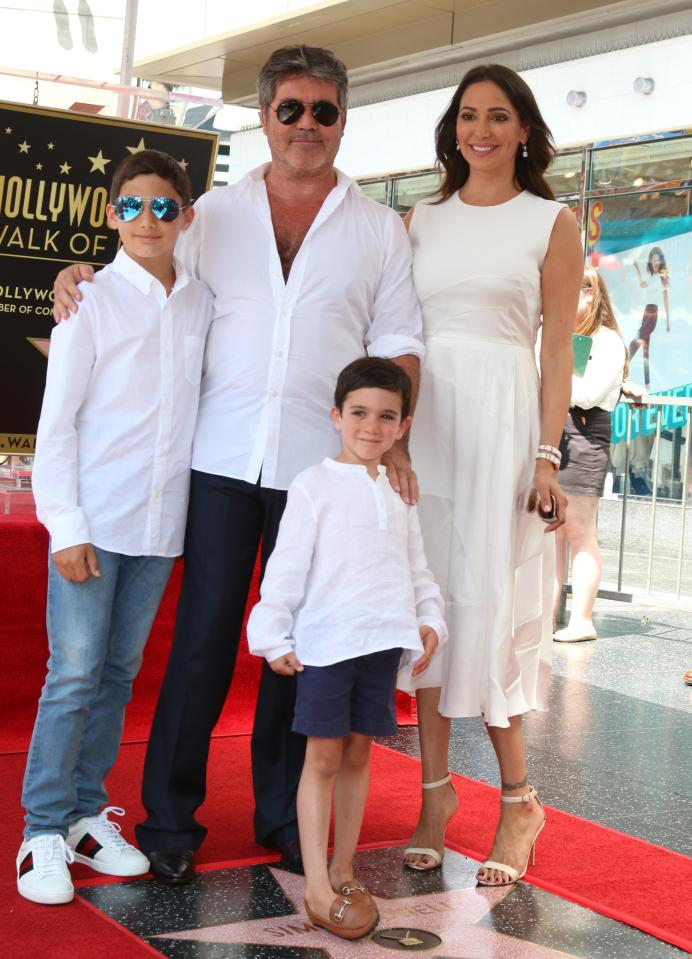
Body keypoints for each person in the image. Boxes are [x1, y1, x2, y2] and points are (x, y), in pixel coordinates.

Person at [52, 45, 423, 884]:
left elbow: (400, 344)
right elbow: (141, 273)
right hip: (217, 461)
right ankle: (169, 823)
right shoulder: (210, 213)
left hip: (319, 472)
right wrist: (78, 274)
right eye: (290, 109)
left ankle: (285, 816)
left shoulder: (376, 229)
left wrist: (391, 440)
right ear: (264, 117)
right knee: (202, 646)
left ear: (342, 119)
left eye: (324, 110)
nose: (306, 125)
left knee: (299, 646)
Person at [397, 64, 583, 884]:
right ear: (454, 129)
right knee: (431, 604)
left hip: (506, 427)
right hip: (430, 425)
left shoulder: (551, 220)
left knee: (492, 602)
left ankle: (519, 802)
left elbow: (555, 355)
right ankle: (435, 796)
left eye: (497, 116)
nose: (481, 130)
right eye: (468, 115)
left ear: (523, 130)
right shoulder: (422, 217)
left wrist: (548, 455)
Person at [18, 150, 212, 905]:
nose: (147, 221)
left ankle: (81, 816)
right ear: (111, 215)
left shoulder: (201, 301)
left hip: (160, 525)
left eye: (164, 207)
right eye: (132, 206)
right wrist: (64, 523)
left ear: (186, 217)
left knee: (117, 675)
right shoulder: (89, 302)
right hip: (92, 521)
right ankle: (39, 829)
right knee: (71, 673)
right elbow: (56, 424)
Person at [247, 358, 445, 939]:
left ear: (403, 425)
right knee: (323, 759)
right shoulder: (313, 486)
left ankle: (344, 867)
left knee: (360, 757)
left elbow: (417, 568)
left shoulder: (399, 492)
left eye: (386, 417)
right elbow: (285, 569)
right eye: (359, 413)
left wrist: (429, 619)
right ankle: (315, 885)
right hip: (328, 647)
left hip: (381, 645)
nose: (371, 426)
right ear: (336, 416)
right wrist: (271, 634)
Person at [552, 267, 628, 642]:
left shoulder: (608, 340)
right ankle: (544, 615)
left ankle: (581, 619)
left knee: (578, 530)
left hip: (584, 434)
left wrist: (555, 375)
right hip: (554, 433)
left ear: (592, 295)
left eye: (578, 289)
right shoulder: (554, 332)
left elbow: (588, 394)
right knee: (549, 533)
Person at [629, 246, 670, 388]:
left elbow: (666, 299)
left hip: (653, 314)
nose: (656, 262)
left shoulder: (662, 278)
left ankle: (625, 364)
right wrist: (636, 268)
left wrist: (667, 321)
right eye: (654, 260)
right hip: (646, 312)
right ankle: (647, 383)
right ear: (651, 262)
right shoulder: (651, 276)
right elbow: (642, 284)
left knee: (637, 341)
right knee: (645, 348)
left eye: (658, 260)